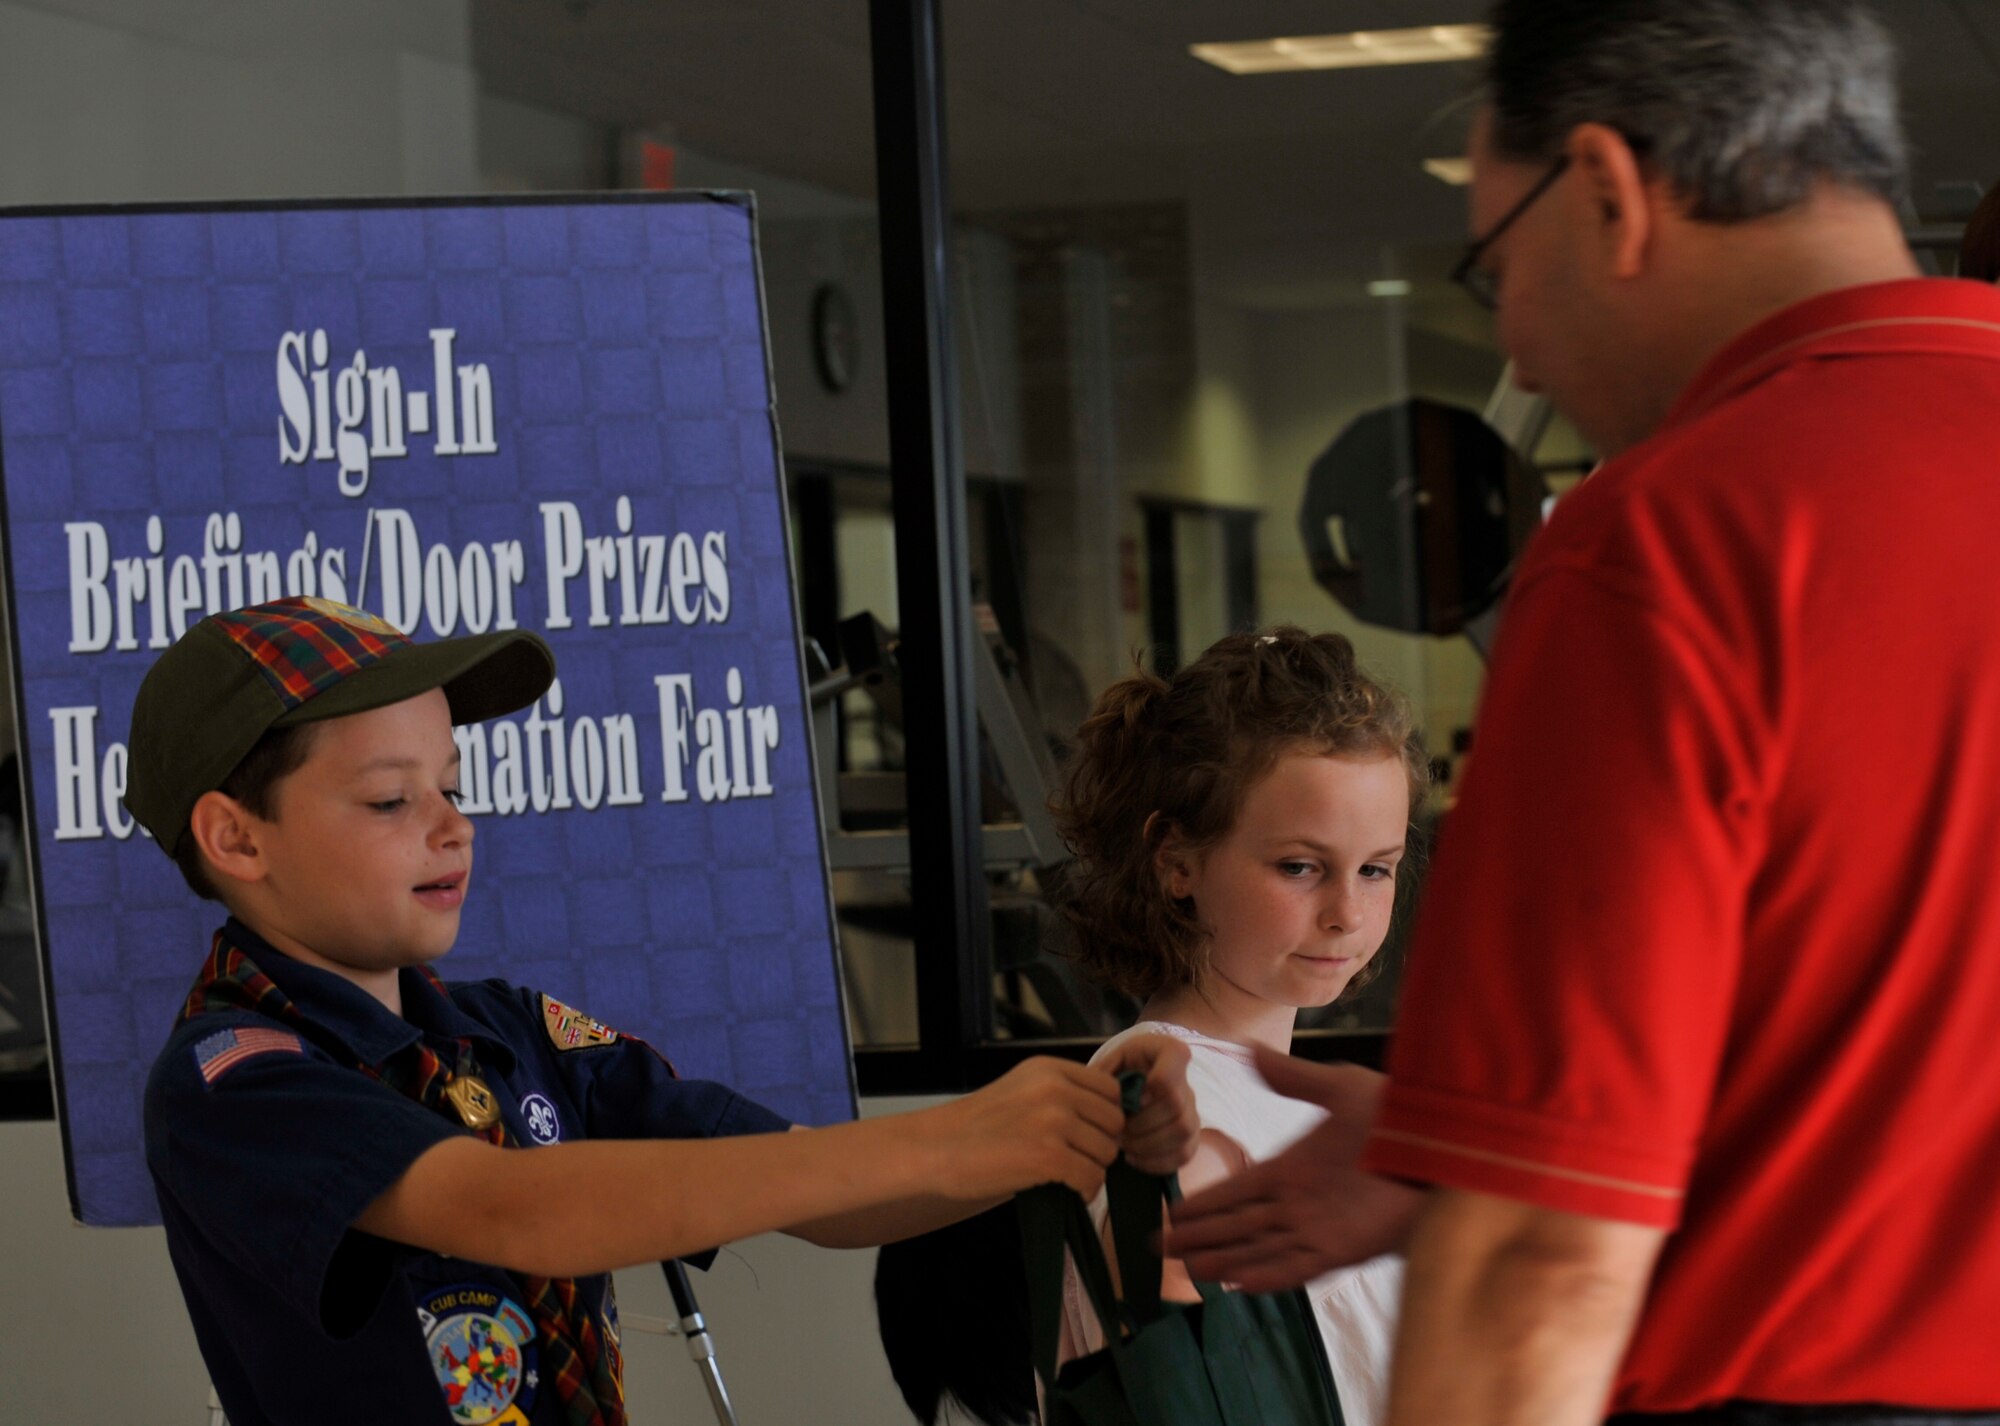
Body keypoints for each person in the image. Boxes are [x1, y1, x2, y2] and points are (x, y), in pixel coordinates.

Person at [1164, 3, 2000, 1425]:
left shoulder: (1678, 540)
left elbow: (1538, 1270)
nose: (1528, 360)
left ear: (1611, 194)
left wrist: (1503, 1179)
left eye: (1498, 270)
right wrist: (1465, 1136)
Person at [133, 595, 1199, 1426]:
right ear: (236, 838)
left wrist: (1061, 1133)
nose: (451, 828)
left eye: (454, 787)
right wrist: (949, 1135)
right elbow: (520, 1211)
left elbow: (817, 1192)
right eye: (389, 800)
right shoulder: (234, 1076)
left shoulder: (510, 1031)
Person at [1049, 627, 1426, 1426]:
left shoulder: (1285, 1102)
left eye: (1376, 868)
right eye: (1300, 866)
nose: (1347, 914)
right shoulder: (1176, 1110)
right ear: (1176, 863)